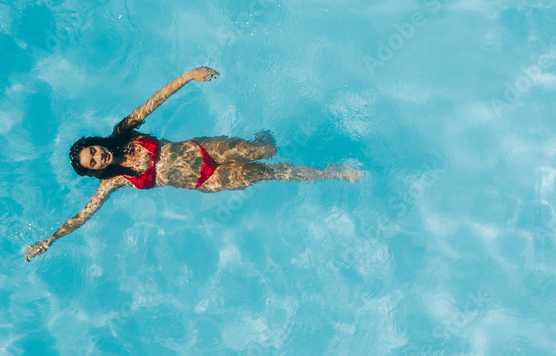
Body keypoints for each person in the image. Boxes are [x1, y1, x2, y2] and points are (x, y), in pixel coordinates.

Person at [24, 67, 362, 262]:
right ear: (95, 172)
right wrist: (50, 240)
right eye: (93, 162)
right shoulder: (113, 182)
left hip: (203, 148)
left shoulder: (123, 132)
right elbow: (82, 215)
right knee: (268, 173)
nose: (99, 157)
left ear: (96, 144)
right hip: (208, 179)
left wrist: (188, 76)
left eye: (94, 151)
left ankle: (265, 140)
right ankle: (331, 173)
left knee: (266, 152)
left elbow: (153, 101)